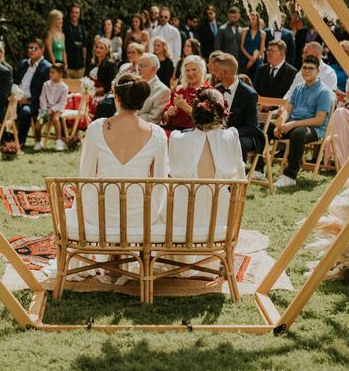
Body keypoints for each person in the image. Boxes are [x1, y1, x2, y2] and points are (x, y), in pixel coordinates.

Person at [168, 87, 245, 278]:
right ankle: (216, 259)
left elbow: (167, 178)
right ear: (221, 112)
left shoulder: (178, 139)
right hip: (219, 229)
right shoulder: (231, 137)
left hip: (181, 230)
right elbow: (241, 178)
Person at [77, 73, 168, 232]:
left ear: (116, 98)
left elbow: (86, 175)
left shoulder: (96, 128)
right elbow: (160, 182)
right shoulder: (157, 134)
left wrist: (84, 207)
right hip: (141, 217)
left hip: (100, 215)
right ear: (142, 100)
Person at [271, 55, 334, 187]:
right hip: (293, 125)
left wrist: (293, 124)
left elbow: (319, 120)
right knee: (264, 127)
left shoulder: (324, 92)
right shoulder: (298, 88)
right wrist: (280, 123)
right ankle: (258, 169)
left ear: (318, 71)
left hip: (314, 129)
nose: (306, 71)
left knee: (298, 134)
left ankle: (290, 176)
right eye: (304, 68)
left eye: (311, 68)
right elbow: (287, 110)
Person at [212, 52, 264, 159]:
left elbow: (251, 127)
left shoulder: (249, 94)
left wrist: (228, 133)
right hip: (219, 134)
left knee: (236, 143)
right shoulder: (216, 90)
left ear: (225, 72)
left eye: (216, 70)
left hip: (243, 136)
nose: (213, 72)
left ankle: (235, 173)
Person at [14, 39, 51, 146]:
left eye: (34, 48)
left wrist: (28, 100)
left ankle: (20, 142)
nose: (31, 50)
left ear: (42, 50)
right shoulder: (24, 63)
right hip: (16, 99)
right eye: (29, 48)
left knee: (25, 112)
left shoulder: (47, 67)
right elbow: (16, 82)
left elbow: (45, 93)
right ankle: (4, 139)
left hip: (34, 102)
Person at [162, 55, 210, 133]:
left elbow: (205, 120)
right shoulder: (181, 90)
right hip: (173, 129)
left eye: (194, 69)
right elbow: (165, 116)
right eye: (187, 70)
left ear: (201, 70)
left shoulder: (208, 91)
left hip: (192, 132)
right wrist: (168, 113)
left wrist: (185, 107)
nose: (190, 73)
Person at [35, 63, 69, 151]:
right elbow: (42, 98)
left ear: (60, 74)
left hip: (58, 108)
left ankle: (59, 142)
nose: (50, 74)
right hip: (45, 108)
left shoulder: (64, 87)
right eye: (50, 72)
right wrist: (44, 110)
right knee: (38, 125)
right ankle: (38, 142)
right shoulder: (46, 84)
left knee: (55, 119)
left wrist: (52, 110)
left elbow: (62, 103)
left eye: (53, 72)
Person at [137, 53, 170, 124]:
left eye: (142, 66)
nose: (138, 68)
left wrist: (129, 119)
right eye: (138, 65)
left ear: (153, 68)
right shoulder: (134, 83)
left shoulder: (163, 91)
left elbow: (153, 118)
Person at [63, 4, 89, 78]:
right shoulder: (64, 26)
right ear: (69, 13)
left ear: (80, 14)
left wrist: (84, 65)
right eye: (72, 12)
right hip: (68, 66)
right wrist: (65, 64)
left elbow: (84, 47)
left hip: (80, 67)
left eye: (77, 13)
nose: (74, 15)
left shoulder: (82, 28)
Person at [239, 11, 265, 77]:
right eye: (250, 19)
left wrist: (253, 60)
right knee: (243, 77)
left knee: (255, 78)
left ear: (257, 20)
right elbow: (241, 46)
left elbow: (262, 49)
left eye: (253, 19)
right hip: (244, 57)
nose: (251, 21)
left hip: (256, 59)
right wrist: (250, 57)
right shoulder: (244, 30)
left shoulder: (263, 33)